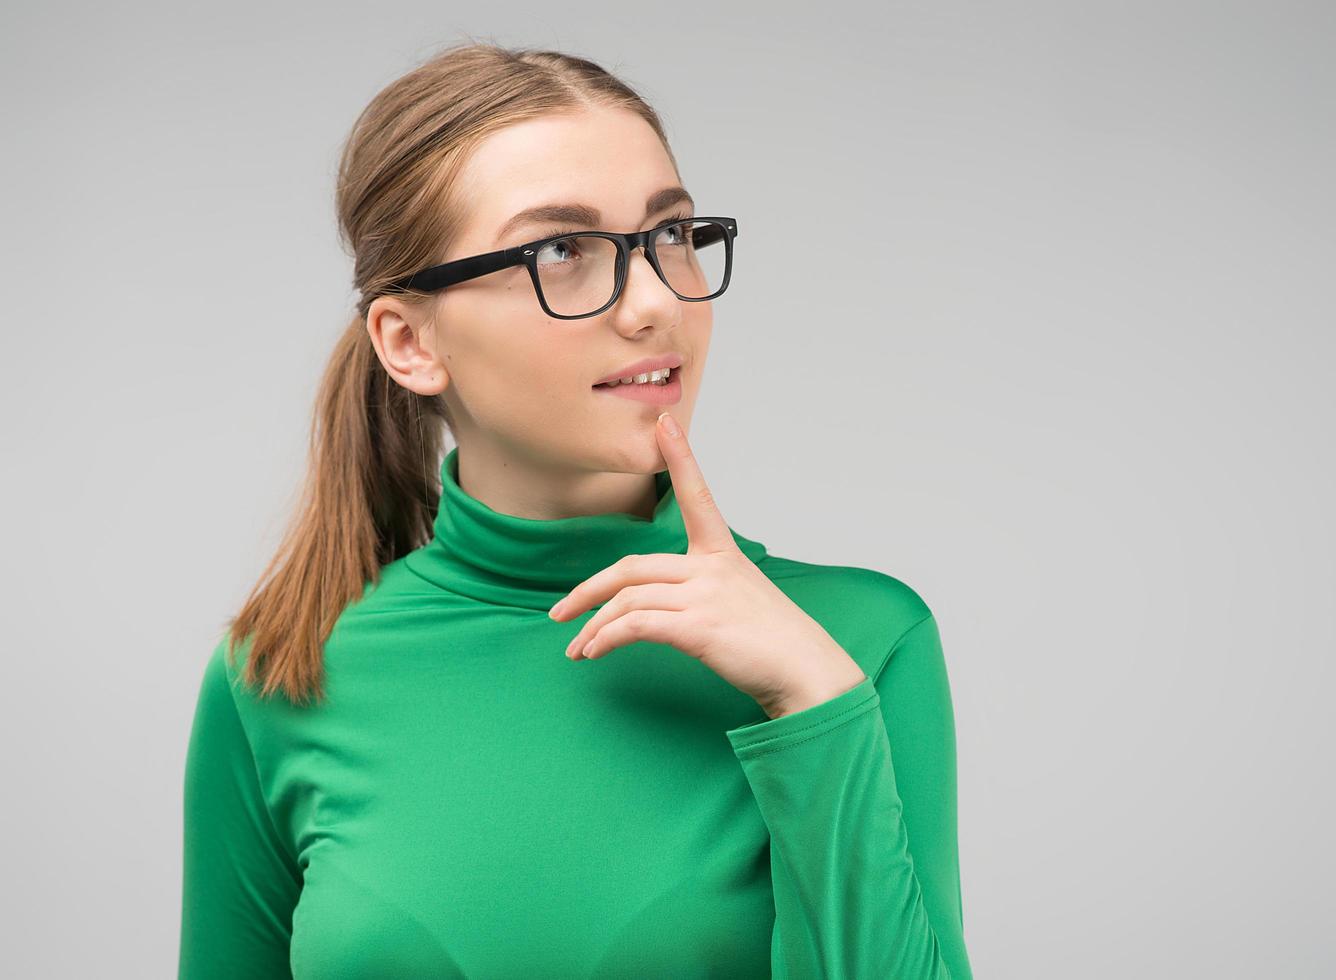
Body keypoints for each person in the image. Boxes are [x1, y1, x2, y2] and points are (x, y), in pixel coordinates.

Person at [179, 40, 972, 979]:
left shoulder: (858, 641)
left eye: (669, 236)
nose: (653, 304)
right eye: (563, 251)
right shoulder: (281, 669)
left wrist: (814, 706)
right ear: (408, 341)